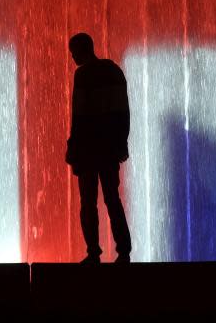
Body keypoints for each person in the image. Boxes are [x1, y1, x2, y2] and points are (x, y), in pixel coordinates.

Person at [65, 32, 132, 264]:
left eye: (73, 52)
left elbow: (80, 116)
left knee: (88, 202)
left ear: (82, 50)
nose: (72, 57)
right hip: (110, 148)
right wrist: (122, 142)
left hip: (89, 150)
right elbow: (124, 112)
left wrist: (73, 149)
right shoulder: (115, 72)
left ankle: (93, 252)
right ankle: (124, 251)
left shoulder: (82, 75)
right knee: (112, 199)